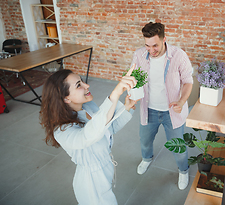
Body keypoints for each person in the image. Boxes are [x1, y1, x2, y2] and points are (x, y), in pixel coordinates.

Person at [39, 65, 137, 205]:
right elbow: (88, 135)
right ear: (66, 98)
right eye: (79, 85)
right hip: (91, 183)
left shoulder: (88, 107)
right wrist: (115, 94)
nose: (87, 85)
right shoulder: (62, 131)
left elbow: (109, 128)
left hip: (105, 169)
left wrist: (126, 108)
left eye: (82, 81)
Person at [131, 22, 193, 190]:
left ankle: (183, 170)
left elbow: (188, 81)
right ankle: (146, 159)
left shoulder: (179, 55)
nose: (151, 50)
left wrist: (181, 101)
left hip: (171, 111)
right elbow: (133, 78)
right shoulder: (139, 55)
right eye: (147, 45)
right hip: (148, 110)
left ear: (164, 39)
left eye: (155, 45)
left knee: (178, 146)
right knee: (144, 140)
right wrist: (131, 95)